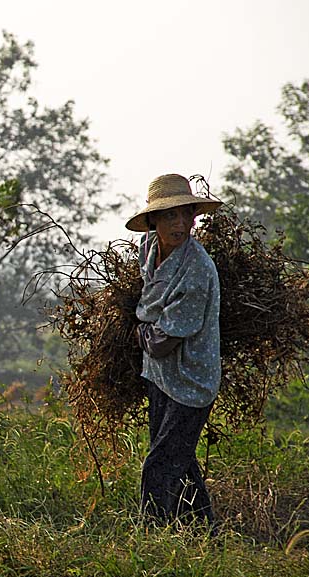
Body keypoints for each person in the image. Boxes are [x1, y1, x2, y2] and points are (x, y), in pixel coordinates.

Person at [125, 173, 223, 526]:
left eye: (186, 214)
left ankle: (152, 535)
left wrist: (139, 332)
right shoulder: (147, 249)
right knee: (178, 459)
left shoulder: (197, 267)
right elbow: (152, 310)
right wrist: (146, 325)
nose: (180, 223)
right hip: (160, 376)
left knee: (161, 462)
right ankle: (204, 531)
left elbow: (166, 340)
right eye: (170, 215)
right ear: (153, 221)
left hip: (192, 379)